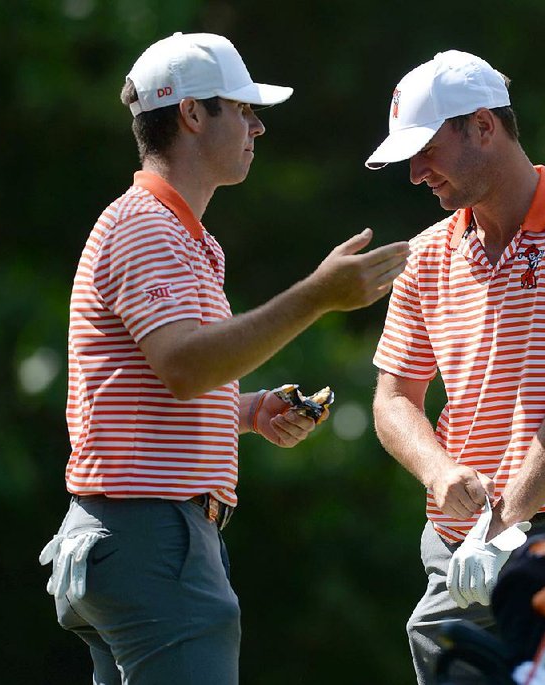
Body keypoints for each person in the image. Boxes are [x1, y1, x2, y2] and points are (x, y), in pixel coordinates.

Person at [39, 32, 409, 684]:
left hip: (131, 533)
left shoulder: (184, 237)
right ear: (190, 113)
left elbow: (155, 381)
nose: (258, 126)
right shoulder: (149, 226)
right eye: (242, 108)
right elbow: (184, 366)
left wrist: (251, 410)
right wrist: (317, 297)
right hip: (153, 536)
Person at [366, 50, 545, 684]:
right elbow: (392, 401)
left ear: (484, 126)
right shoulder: (425, 256)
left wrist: (504, 520)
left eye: (427, 149)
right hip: (457, 553)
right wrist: (437, 471)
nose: (415, 173)